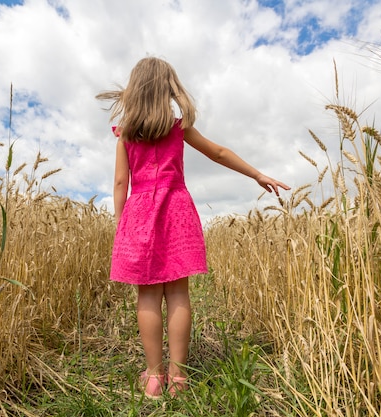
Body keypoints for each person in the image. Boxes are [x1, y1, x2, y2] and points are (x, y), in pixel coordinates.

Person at [96, 57, 290, 399]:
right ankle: (180, 378)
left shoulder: (124, 135)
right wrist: (257, 173)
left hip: (139, 213)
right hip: (176, 210)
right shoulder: (178, 128)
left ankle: (155, 378)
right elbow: (217, 152)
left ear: (134, 91)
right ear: (168, 88)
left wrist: (120, 223)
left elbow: (119, 182)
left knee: (148, 296)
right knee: (178, 293)